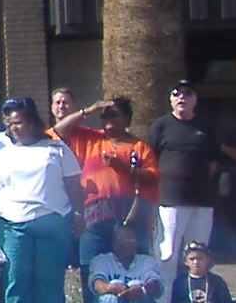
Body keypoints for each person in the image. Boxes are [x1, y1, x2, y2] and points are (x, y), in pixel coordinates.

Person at [0, 95, 75, 303]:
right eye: (10, 123)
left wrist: (78, 214)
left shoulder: (56, 149)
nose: (14, 128)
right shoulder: (4, 154)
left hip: (52, 221)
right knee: (16, 274)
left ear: (33, 122)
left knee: (49, 275)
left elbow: (74, 185)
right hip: (12, 224)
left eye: (19, 122)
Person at [52, 96, 159, 274]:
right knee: (92, 267)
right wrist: (89, 110)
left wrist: (124, 168)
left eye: (114, 115)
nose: (108, 119)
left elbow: (152, 178)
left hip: (129, 216)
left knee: (131, 270)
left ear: (126, 118)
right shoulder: (91, 139)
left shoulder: (139, 147)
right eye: (104, 116)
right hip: (94, 214)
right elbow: (58, 130)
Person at [148, 82, 225, 291]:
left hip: (202, 201)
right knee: (167, 254)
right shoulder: (161, 126)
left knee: (198, 255)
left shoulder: (205, 128)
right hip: (170, 201)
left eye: (187, 93)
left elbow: (213, 163)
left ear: (195, 99)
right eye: (177, 94)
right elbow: (151, 159)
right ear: (171, 100)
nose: (182, 97)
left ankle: (196, 302)